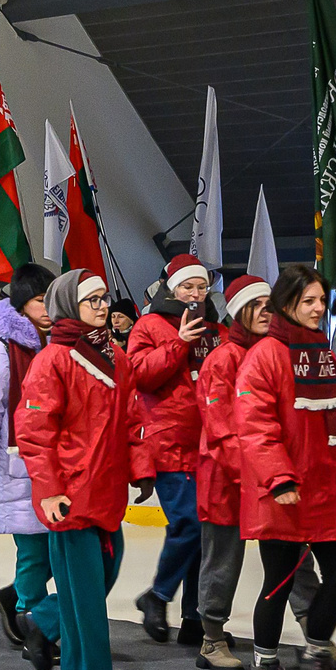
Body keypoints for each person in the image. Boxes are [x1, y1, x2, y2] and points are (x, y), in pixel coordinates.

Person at [234, 264, 336, 670]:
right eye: (308, 300)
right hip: (284, 489)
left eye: (321, 300)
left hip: (327, 487)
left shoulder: (321, 353)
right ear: (286, 302)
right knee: (279, 583)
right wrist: (279, 478)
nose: (317, 308)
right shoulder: (266, 355)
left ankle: (313, 662)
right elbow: (255, 425)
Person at [14, 270, 135, 670]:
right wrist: (49, 489)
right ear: (69, 305)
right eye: (92, 300)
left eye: (104, 298)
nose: (103, 307)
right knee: (84, 586)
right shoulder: (53, 360)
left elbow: (131, 419)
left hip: (106, 489)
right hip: (70, 492)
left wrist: (141, 468)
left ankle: (43, 620)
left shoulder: (116, 357)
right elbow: (34, 431)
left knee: (105, 569)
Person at [0, 264, 62, 670]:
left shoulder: (57, 343)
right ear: (22, 305)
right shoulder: (2, 353)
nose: (47, 308)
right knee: (33, 550)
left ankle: (16, 598)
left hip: (54, 461)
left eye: (50, 300)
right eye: (40, 301)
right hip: (16, 462)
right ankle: (29, 615)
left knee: (52, 550)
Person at [129, 255, 216, 647]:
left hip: (208, 442)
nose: (195, 294)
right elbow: (140, 375)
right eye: (187, 287)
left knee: (205, 531)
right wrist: (179, 343)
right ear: (171, 288)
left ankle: (194, 617)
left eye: (201, 287)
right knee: (189, 524)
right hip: (168, 441)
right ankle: (159, 594)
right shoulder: (149, 325)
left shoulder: (215, 328)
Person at [191, 273, 274, 670]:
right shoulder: (222, 359)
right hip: (227, 475)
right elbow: (220, 426)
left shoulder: (272, 355)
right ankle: (211, 638)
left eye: (269, 305)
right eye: (255, 306)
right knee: (223, 558)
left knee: (288, 554)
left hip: (265, 474)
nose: (265, 312)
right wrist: (252, 472)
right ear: (238, 311)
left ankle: (316, 633)